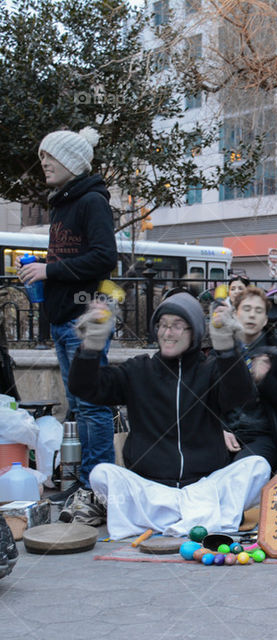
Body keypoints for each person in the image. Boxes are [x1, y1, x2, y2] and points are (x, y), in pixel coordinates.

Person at [63, 292, 270, 539]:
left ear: (194, 331)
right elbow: (86, 388)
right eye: (162, 325)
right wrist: (91, 345)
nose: (167, 333)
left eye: (177, 326)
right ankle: (200, 519)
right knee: (101, 474)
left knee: (258, 466)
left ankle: (165, 520)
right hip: (151, 490)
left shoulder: (210, 370)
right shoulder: (138, 370)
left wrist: (226, 347)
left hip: (202, 488)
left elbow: (241, 395)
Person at [18, 126, 118, 497]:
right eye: (42, 155)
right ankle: (81, 482)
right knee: (78, 404)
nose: (43, 162)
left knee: (92, 405)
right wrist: (43, 268)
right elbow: (76, 257)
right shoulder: (63, 201)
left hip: (84, 322)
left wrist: (50, 269)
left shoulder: (91, 201)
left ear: (72, 161)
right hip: (63, 319)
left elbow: (105, 257)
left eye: (50, 156)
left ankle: (99, 486)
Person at [222, 286, 277, 472]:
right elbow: (206, 402)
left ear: (266, 319)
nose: (252, 315)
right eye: (247, 309)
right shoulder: (222, 353)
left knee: (244, 471)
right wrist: (220, 430)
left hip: (264, 435)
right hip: (226, 434)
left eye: (259, 311)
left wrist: (266, 381)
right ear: (235, 315)